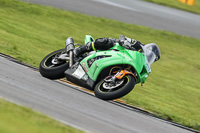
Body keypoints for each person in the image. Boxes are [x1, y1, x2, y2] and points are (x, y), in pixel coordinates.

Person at [74, 35, 161, 66]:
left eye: (152, 59)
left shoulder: (142, 63)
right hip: (115, 47)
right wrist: (125, 41)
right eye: (150, 55)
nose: (149, 58)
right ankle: (80, 50)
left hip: (121, 59)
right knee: (105, 42)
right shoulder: (139, 46)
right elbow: (123, 37)